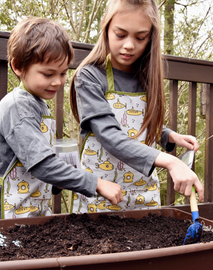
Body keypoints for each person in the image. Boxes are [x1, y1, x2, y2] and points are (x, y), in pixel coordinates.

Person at [0, 16, 123, 221]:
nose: (57, 82)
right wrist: (96, 183)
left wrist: (58, 181)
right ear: (18, 67)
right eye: (48, 74)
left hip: (23, 209)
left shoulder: (37, 103)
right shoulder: (17, 106)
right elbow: (42, 165)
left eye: (63, 73)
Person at [69, 0, 204, 214]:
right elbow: (110, 134)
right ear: (106, 27)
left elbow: (136, 123)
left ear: (150, 37)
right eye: (121, 35)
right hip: (101, 199)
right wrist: (169, 161)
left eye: (140, 37)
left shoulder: (146, 77)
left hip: (144, 196)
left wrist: (168, 136)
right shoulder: (89, 77)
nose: (130, 45)